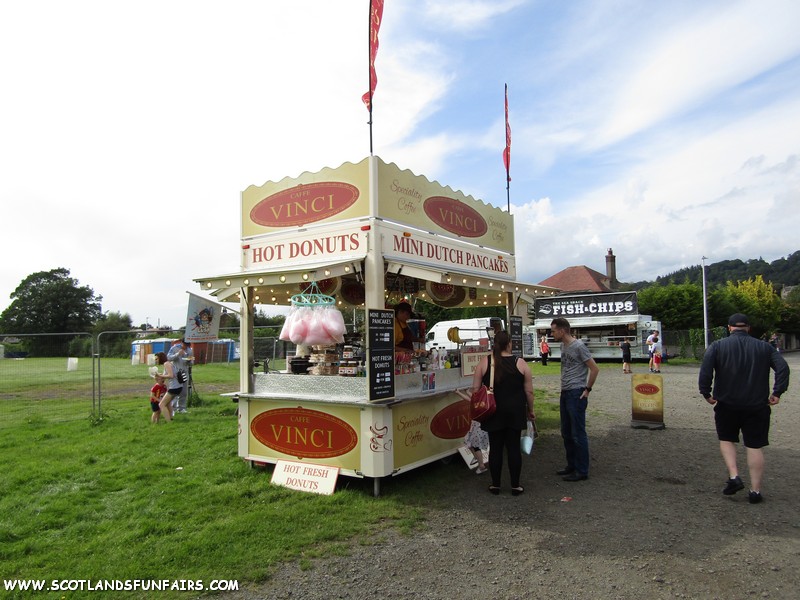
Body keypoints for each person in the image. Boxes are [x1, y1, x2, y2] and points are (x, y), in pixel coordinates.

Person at [698, 313, 790, 504]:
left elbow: (706, 370)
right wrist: (777, 392)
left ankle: (734, 476)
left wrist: (706, 393)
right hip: (757, 405)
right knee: (755, 445)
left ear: (729, 328)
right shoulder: (765, 347)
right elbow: (783, 368)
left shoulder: (717, 346)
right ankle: (755, 491)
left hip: (727, 403)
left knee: (726, 439)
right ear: (748, 328)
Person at [470, 331, 534, 496]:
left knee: (495, 448)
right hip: (515, 410)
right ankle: (515, 486)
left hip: (493, 410)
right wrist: (531, 410)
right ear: (509, 343)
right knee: (513, 448)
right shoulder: (520, 363)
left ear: (495, 344)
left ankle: (495, 485)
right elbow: (529, 391)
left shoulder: (485, 362)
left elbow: (475, 389)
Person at [551, 317, 600, 482]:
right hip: (565, 392)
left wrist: (587, 389)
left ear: (562, 330)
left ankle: (582, 470)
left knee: (577, 433)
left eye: (553, 331)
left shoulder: (578, 346)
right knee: (566, 432)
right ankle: (571, 465)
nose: (552, 334)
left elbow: (594, 368)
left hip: (576, 392)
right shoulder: (563, 346)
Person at [167, 339, 194, 414]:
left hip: (184, 372)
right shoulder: (174, 348)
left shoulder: (190, 350)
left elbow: (192, 362)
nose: (186, 347)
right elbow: (169, 358)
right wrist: (178, 354)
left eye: (187, 345)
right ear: (182, 343)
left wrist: (189, 361)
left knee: (184, 391)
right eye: (185, 345)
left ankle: (182, 408)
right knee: (175, 391)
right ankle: (173, 408)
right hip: (176, 372)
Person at [154, 351, 181, 422]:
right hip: (177, 386)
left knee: (161, 405)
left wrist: (160, 375)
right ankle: (171, 418)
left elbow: (171, 375)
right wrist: (158, 376)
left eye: (157, 359)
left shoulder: (166, 364)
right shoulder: (167, 363)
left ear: (160, 358)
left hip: (174, 387)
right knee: (168, 403)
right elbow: (164, 377)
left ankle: (169, 422)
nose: (156, 360)